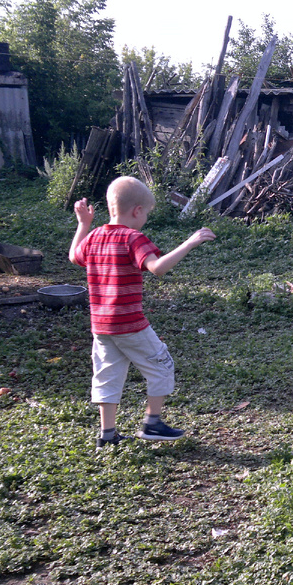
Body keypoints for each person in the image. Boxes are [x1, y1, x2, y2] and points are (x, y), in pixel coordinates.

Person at [68, 176, 215, 447]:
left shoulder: (95, 235)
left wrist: (84, 224)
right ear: (137, 211)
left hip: (101, 325)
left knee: (107, 375)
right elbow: (156, 267)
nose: (145, 218)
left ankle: (107, 435)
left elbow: (74, 256)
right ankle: (153, 423)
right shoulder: (133, 238)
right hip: (130, 324)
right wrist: (189, 243)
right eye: (146, 213)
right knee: (162, 365)